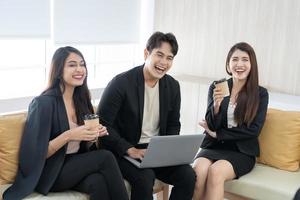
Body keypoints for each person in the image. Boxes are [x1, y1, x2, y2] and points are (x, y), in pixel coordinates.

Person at [3, 46, 129, 200]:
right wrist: (69, 135)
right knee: (106, 157)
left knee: (98, 182)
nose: (79, 69)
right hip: (49, 171)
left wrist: (93, 135)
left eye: (82, 64)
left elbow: (83, 147)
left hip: (74, 165)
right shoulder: (43, 103)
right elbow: (34, 155)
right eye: (72, 65)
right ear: (58, 71)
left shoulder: (82, 100)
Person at [97, 31, 196, 200]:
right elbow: (103, 125)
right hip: (123, 151)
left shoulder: (172, 86)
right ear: (146, 53)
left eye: (169, 58)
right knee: (144, 177)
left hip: (156, 151)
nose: (164, 62)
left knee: (188, 175)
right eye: (159, 55)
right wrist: (129, 149)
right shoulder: (121, 83)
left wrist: (169, 150)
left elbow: (173, 124)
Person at [192, 42, 269, 200]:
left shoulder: (260, 94)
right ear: (228, 64)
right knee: (197, 173)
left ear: (251, 64)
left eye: (245, 59)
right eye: (234, 59)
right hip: (213, 146)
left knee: (216, 172)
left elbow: (253, 130)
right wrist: (217, 106)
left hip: (242, 151)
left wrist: (219, 134)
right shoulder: (218, 86)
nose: (239, 64)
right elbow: (211, 125)